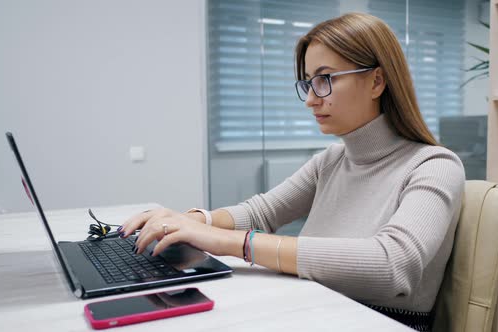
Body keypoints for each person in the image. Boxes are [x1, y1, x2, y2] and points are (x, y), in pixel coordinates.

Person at [119, 12, 465, 332]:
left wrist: (231, 243)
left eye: (325, 79)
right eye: (308, 83)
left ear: (377, 81)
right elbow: (261, 212)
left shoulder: (434, 166)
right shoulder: (330, 160)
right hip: (317, 306)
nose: (312, 99)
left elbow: (392, 266)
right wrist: (190, 220)